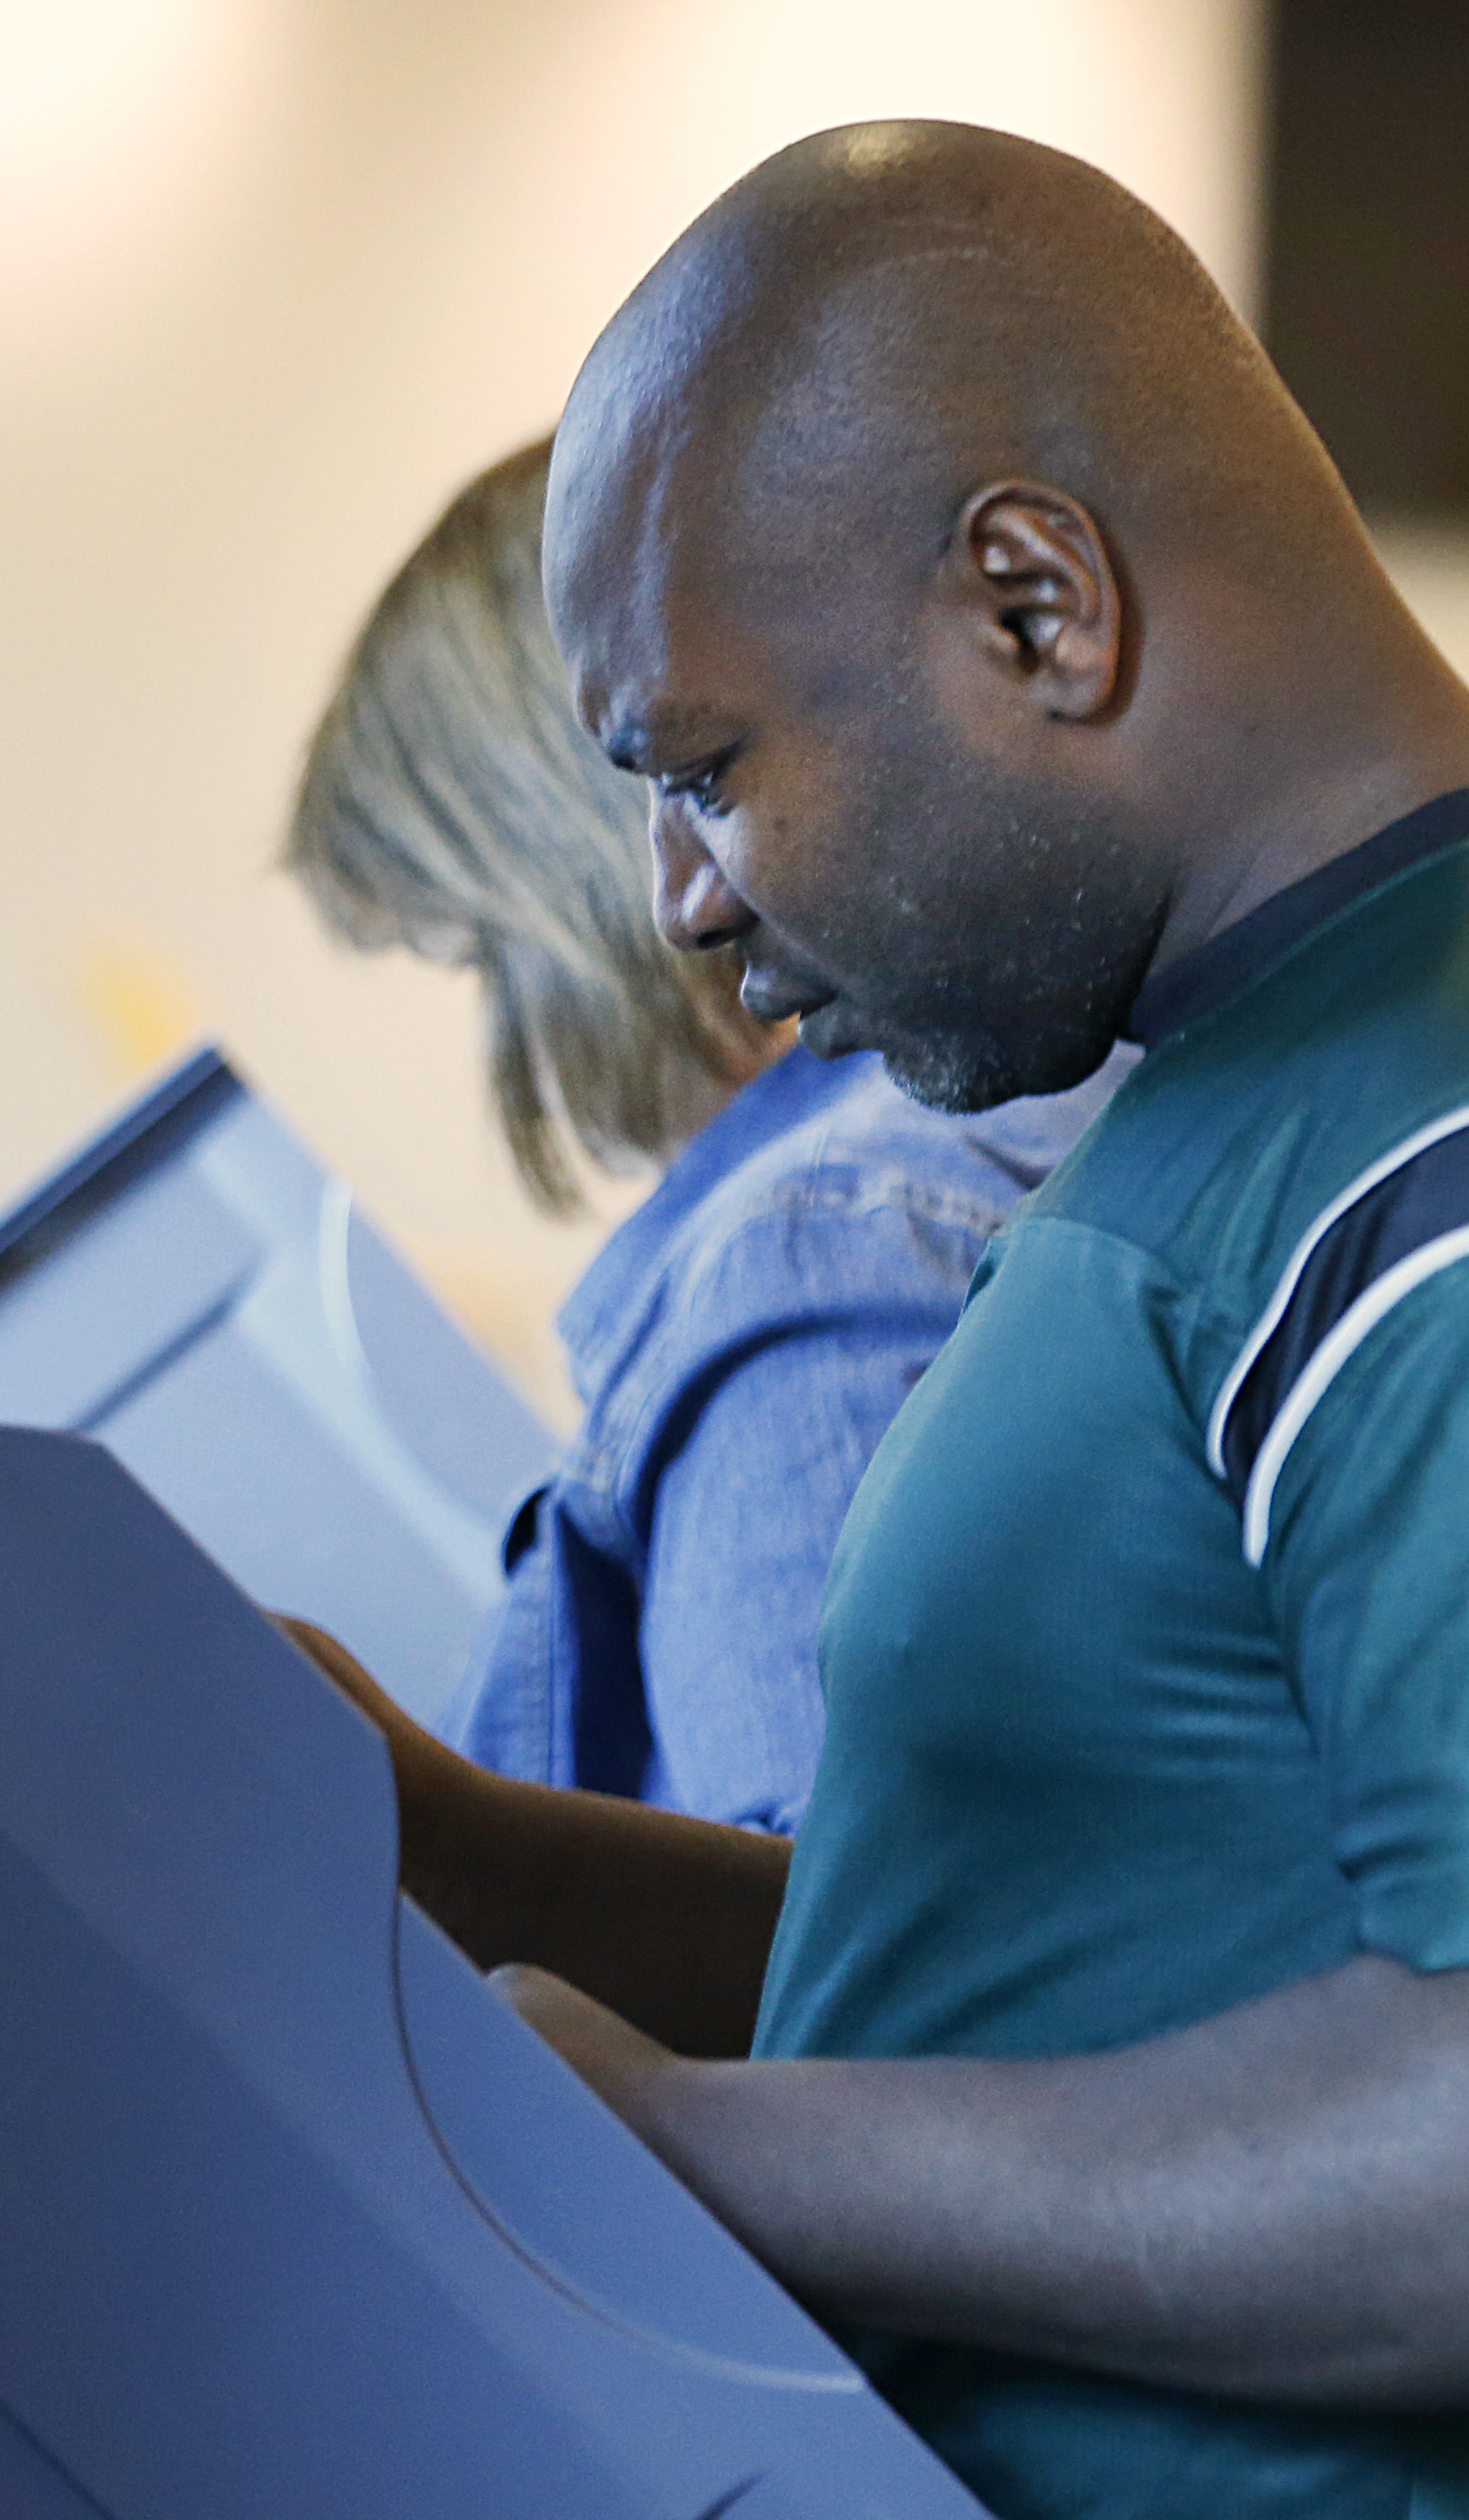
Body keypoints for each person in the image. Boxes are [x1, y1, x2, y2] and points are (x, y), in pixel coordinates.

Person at [282, 124, 1469, 2520]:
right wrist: (467, 1857)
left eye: (706, 767)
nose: (679, 904)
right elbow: (1080, 2002)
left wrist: (695, 2146)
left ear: (1032, 601)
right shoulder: (1269, 1088)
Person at [285, 440, 1113, 1835]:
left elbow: (852, 1998)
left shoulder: (809, 1263)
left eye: (480, 960)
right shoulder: (1045, 1101)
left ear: (556, 887)